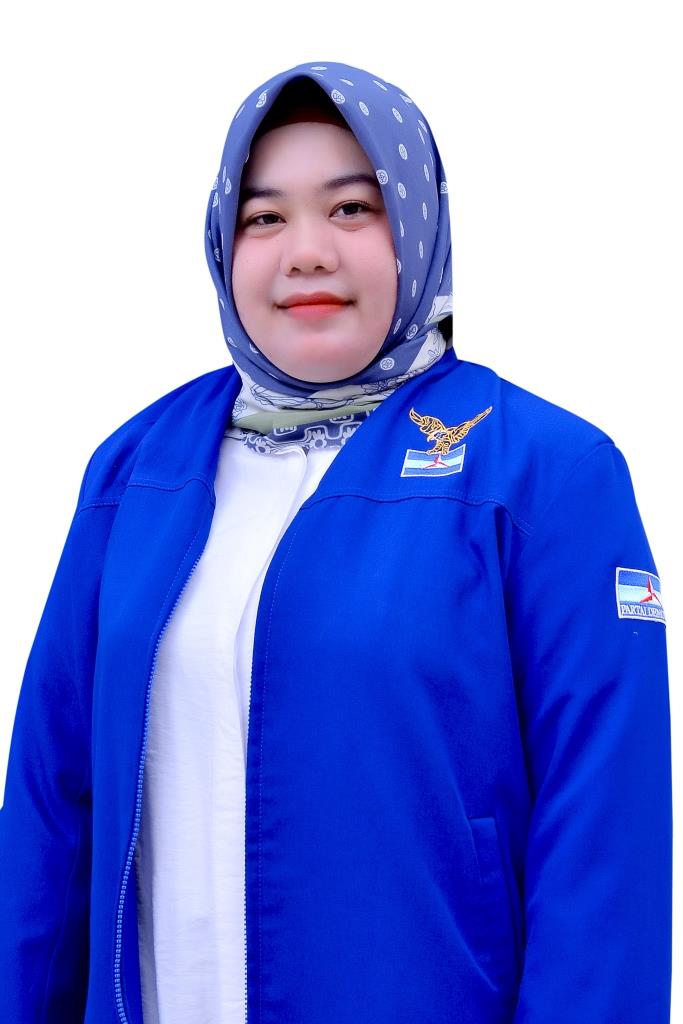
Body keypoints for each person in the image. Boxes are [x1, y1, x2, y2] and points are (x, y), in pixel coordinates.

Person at [0, 59, 671, 1024]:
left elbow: (605, 839)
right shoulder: (136, 470)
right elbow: (50, 806)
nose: (306, 252)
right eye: (264, 217)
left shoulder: (545, 473)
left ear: (417, 229)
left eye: (352, 209)